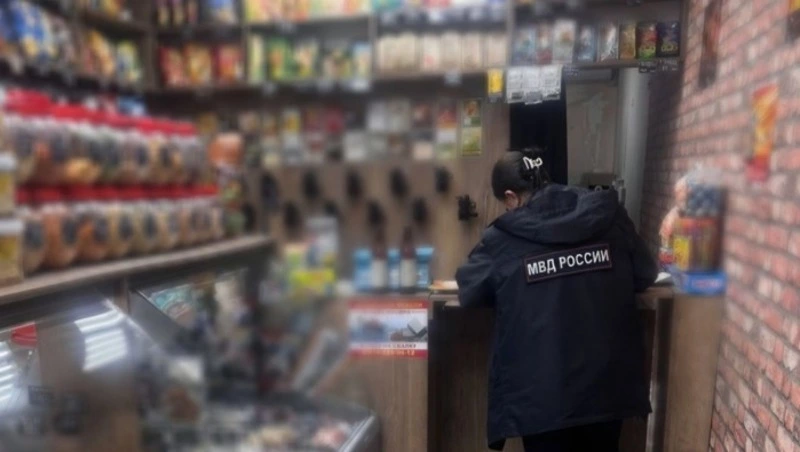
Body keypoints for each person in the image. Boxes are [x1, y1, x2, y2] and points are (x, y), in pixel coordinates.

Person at [455, 149, 658, 452]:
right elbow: (645, 272)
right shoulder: (607, 214)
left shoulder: (502, 239)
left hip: (541, 397)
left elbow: (469, 290)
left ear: (510, 197)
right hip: (606, 388)